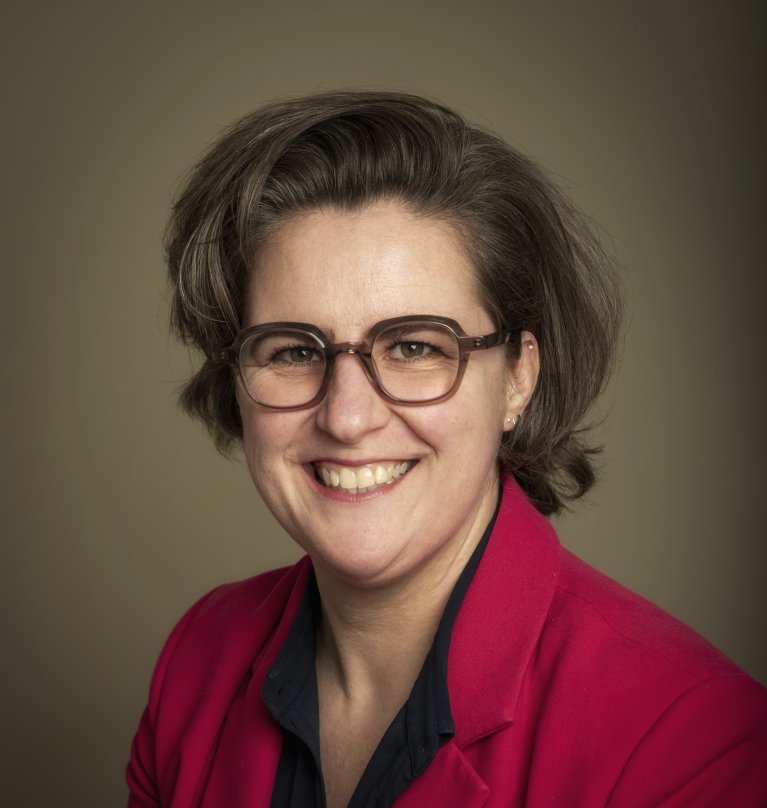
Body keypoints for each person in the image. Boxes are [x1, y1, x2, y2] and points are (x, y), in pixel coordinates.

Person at [127, 91, 767, 807]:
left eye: (412, 347)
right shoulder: (197, 663)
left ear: (518, 377)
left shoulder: (691, 744)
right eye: (293, 351)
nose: (347, 417)